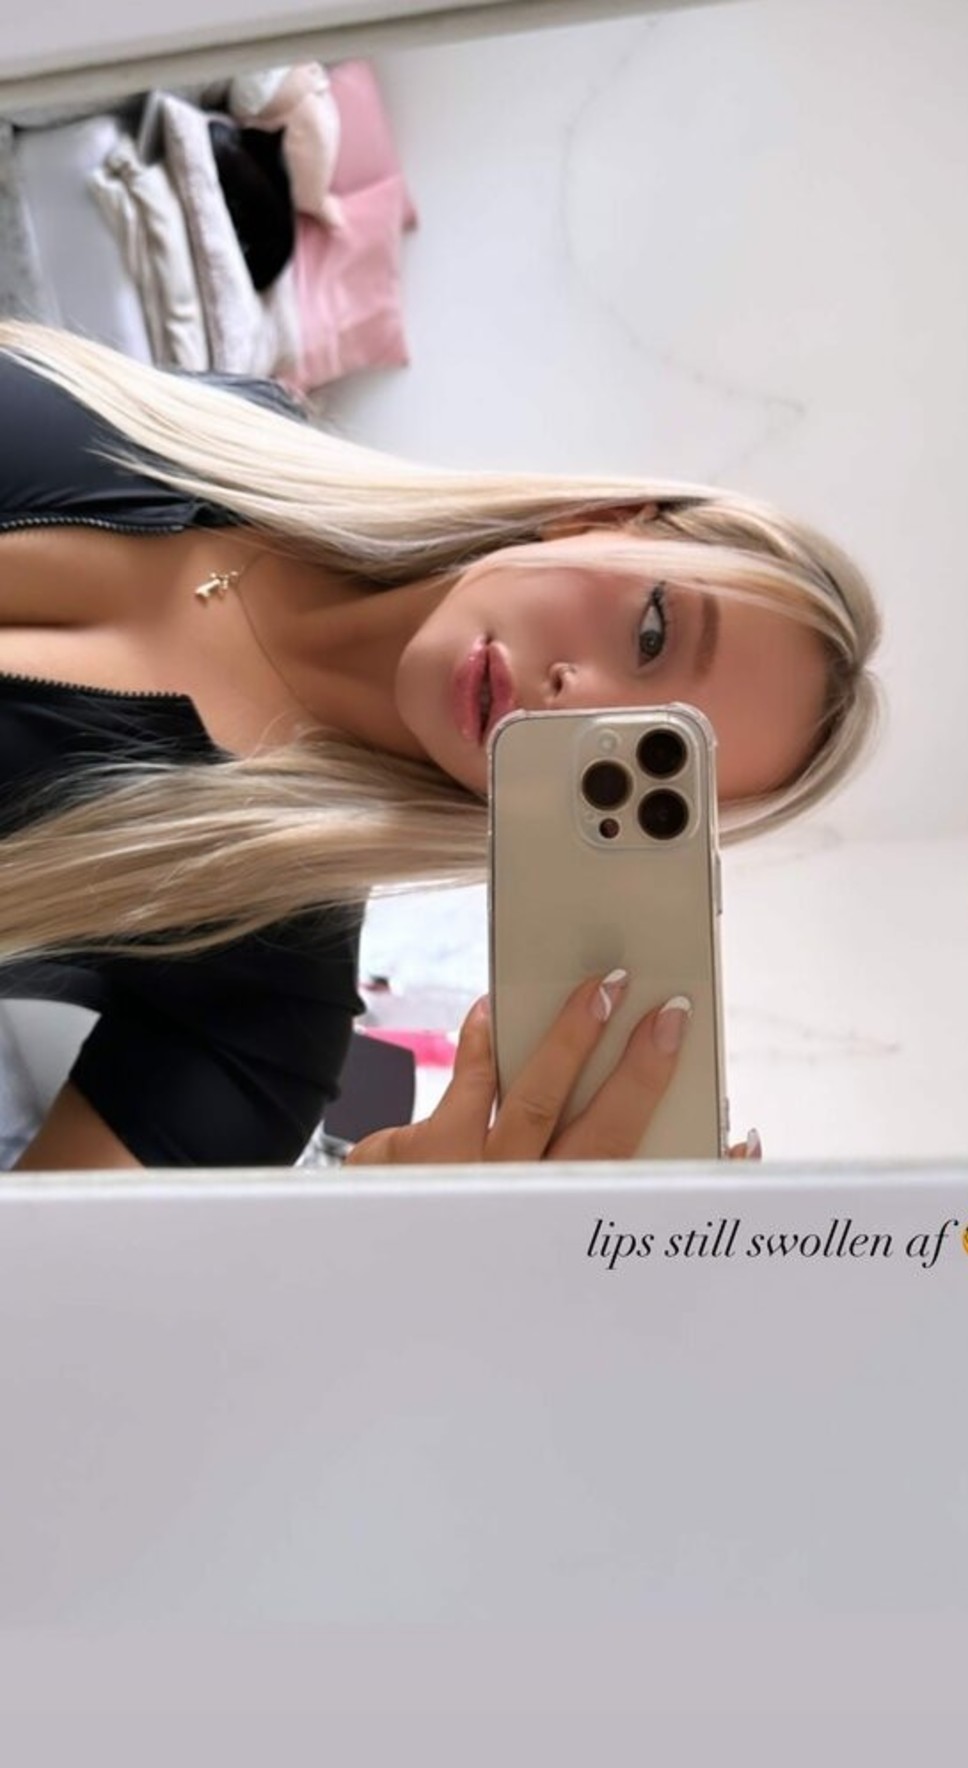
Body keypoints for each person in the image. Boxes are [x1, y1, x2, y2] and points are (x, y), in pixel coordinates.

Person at [0, 321, 883, 1172]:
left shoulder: (263, 1010)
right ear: (603, 519)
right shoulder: (221, 429)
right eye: (651, 632)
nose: (574, 700)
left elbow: (44, 1274)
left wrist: (410, 1236)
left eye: (640, 766)